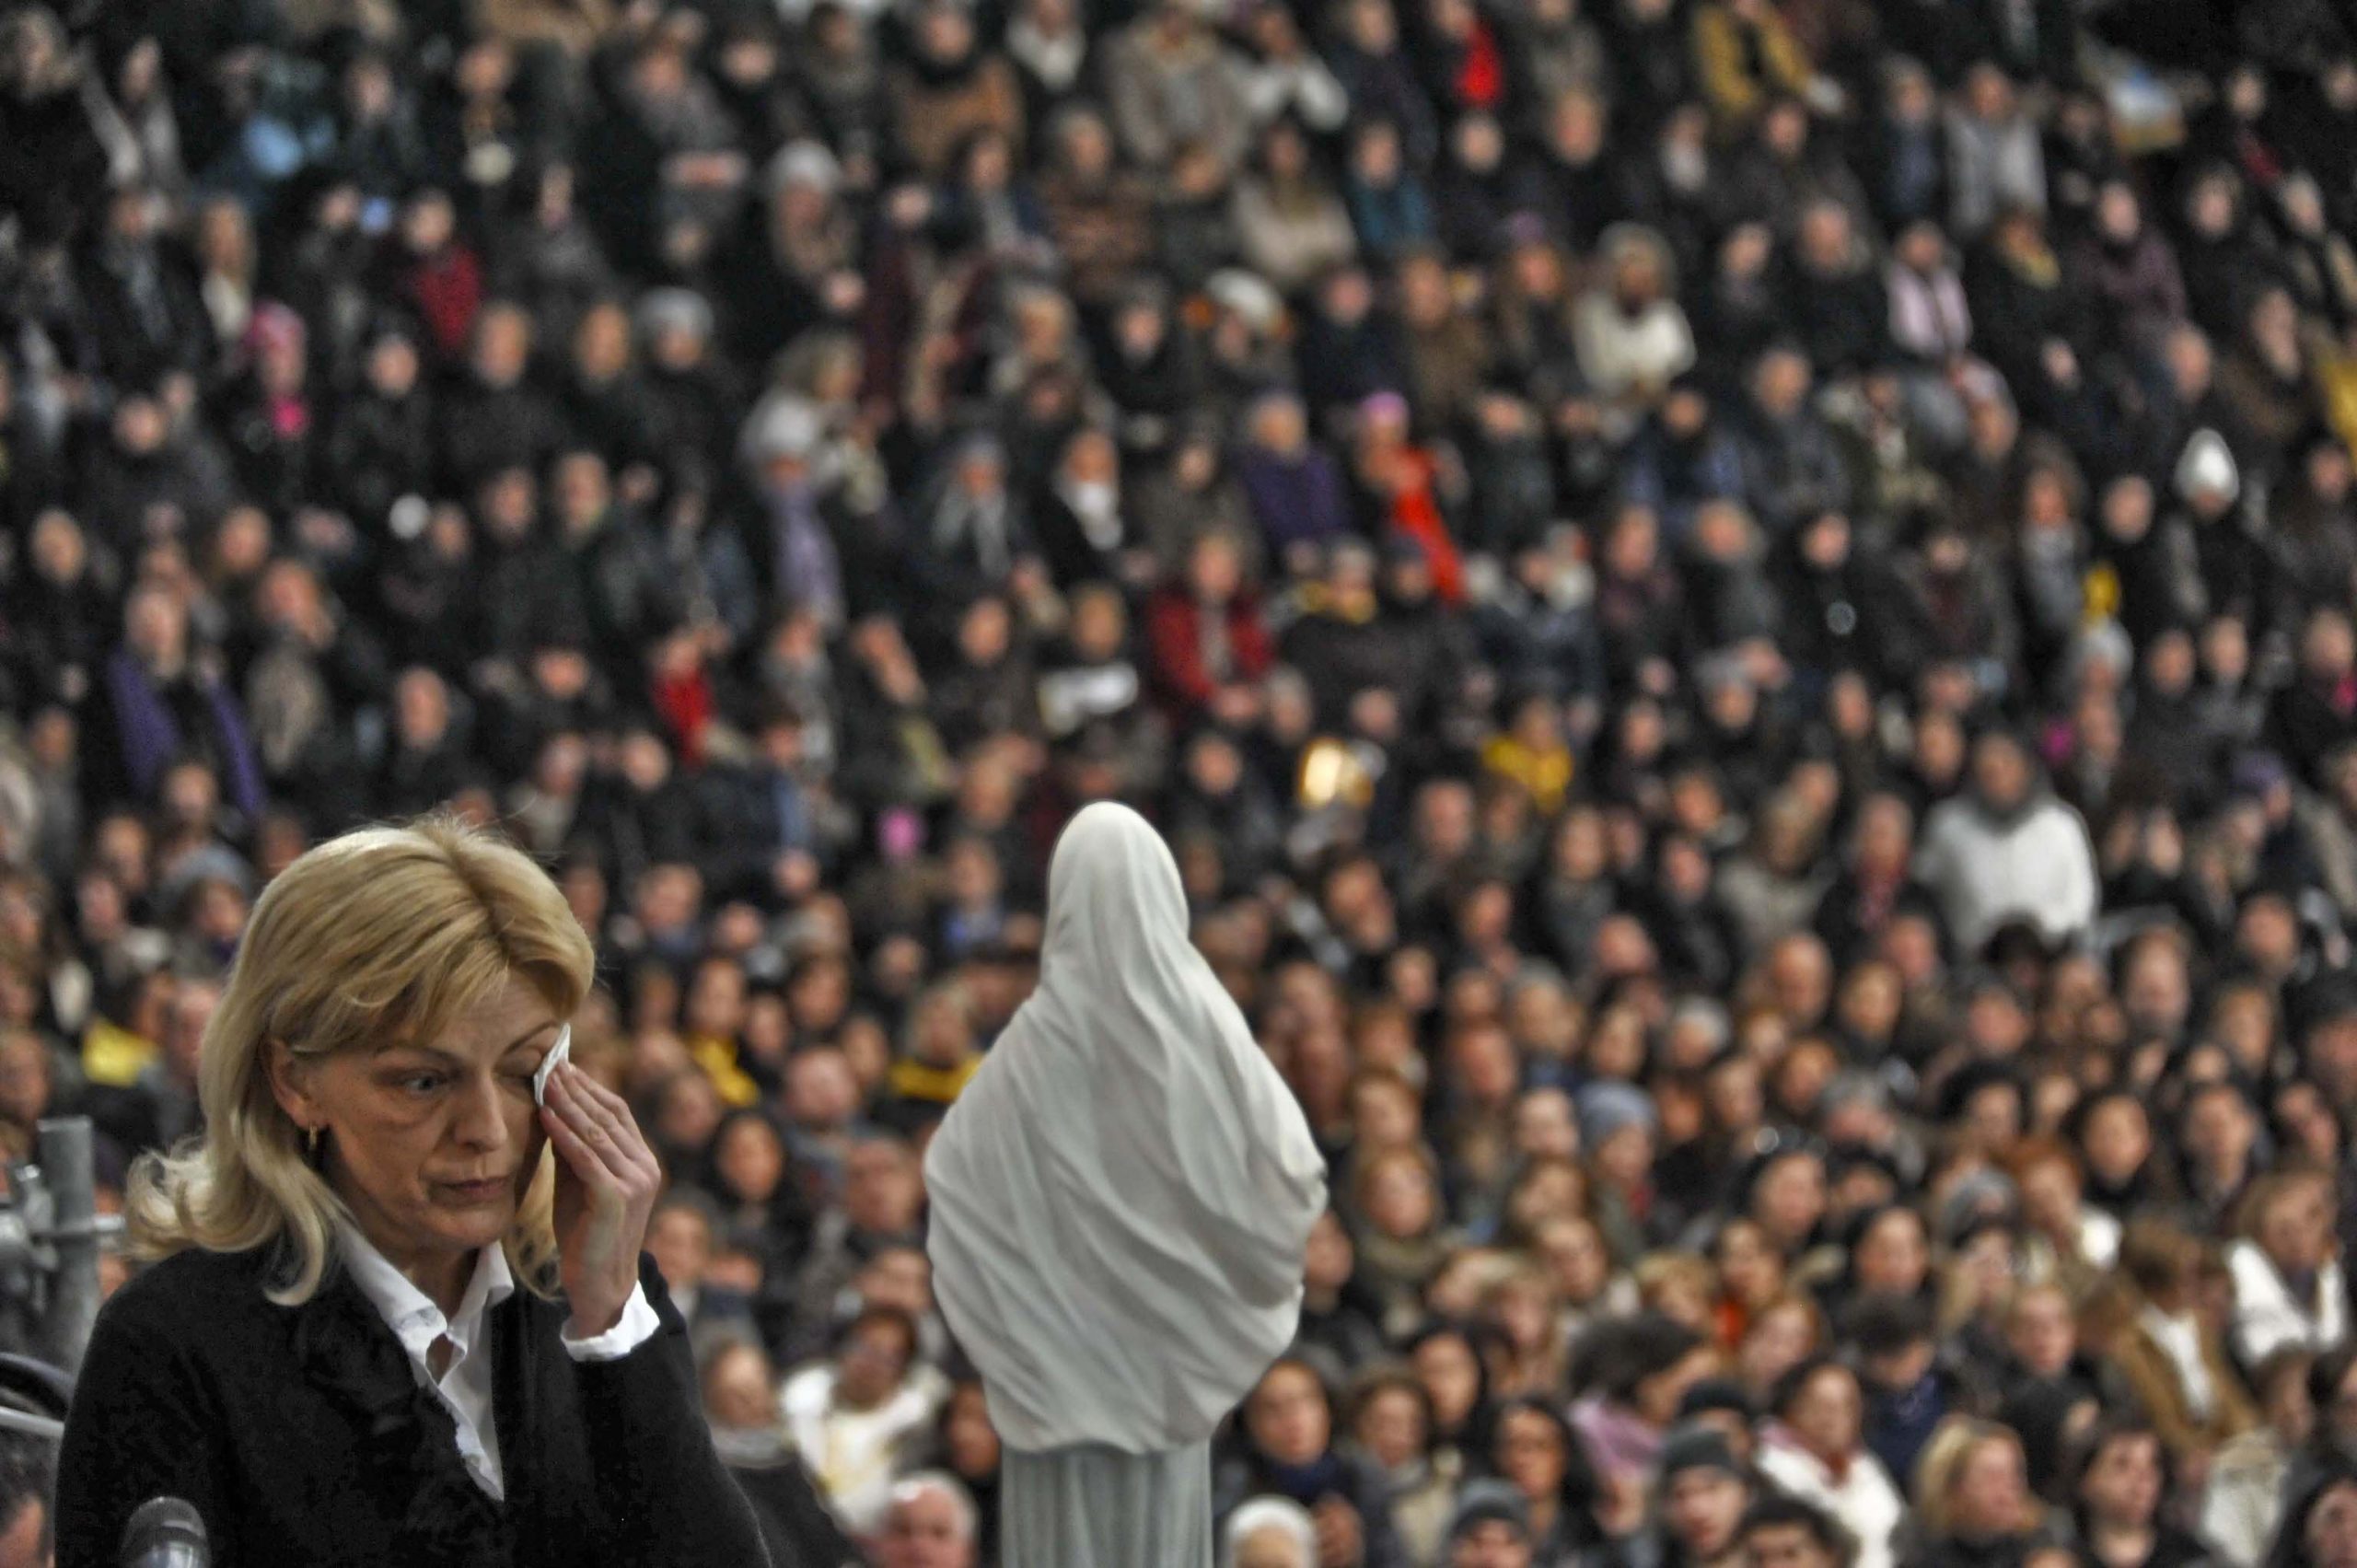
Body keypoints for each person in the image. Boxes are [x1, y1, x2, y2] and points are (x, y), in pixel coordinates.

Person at [52, 819, 772, 1566]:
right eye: (424, 1080)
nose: (486, 1129)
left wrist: (614, 1326)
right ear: (294, 1079)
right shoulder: (173, 1343)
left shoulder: (600, 1298)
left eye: (523, 1070)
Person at [924, 803, 1329, 1563]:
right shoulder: (1202, 1023)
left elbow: (952, 1180)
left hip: (1056, 1377)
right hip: (1159, 1370)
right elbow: (1292, 1172)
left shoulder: (1030, 1047)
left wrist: (1027, 1313)